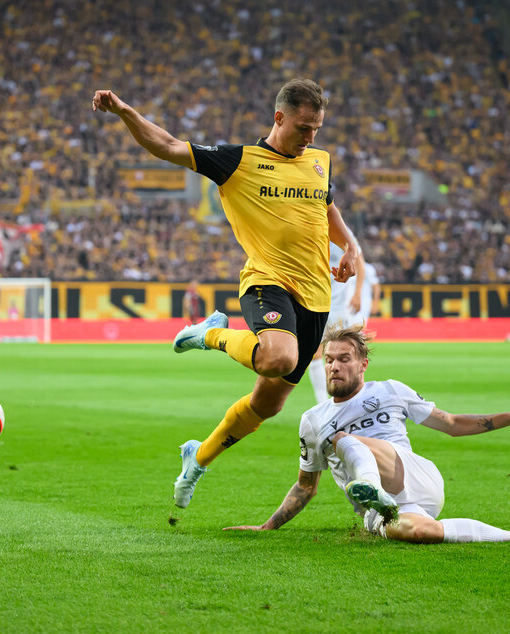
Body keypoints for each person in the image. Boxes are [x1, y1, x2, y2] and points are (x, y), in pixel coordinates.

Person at [93, 78, 361, 509]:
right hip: (266, 281)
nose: (311, 136)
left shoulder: (318, 161)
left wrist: (348, 244)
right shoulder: (238, 161)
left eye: (317, 128)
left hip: (317, 297)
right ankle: (211, 334)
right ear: (279, 117)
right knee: (279, 357)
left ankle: (197, 457)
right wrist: (125, 111)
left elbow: (325, 205)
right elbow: (166, 146)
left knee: (267, 404)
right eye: (304, 127)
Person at [225, 325, 510, 544]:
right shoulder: (312, 419)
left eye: (344, 358)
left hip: (412, 472)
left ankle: (371, 488)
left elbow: (452, 424)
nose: (334, 365)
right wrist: (267, 526)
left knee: (344, 439)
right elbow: (306, 485)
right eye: (329, 359)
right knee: (420, 533)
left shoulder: (391, 391)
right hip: (388, 509)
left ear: (363, 364)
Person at [307, 242, 366, 403]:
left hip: (339, 306)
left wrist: (358, 293)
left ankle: (355, 395)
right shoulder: (312, 228)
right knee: (315, 353)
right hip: (314, 302)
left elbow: (360, 263)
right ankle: (322, 401)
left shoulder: (342, 233)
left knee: (346, 350)